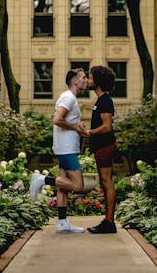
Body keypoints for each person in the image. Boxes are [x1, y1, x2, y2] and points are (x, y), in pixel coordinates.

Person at [29, 68, 88, 234]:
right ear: (75, 81)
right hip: (66, 148)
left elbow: (66, 121)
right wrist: (74, 126)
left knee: (63, 187)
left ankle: (62, 223)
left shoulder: (70, 98)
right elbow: (57, 120)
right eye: (83, 77)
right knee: (78, 185)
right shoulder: (68, 97)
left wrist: (78, 127)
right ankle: (42, 179)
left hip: (64, 147)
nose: (86, 80)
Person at [84, 66, 118, 234]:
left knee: (107, 183)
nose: (88, 80)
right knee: (105, 184)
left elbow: (107, 127)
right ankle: (108, 221)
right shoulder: (101, 100)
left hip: (105, 146)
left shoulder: (105, 101)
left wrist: (89, 132)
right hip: (101, 147)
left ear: (97, 81)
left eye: (90, 78)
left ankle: (109, 222)